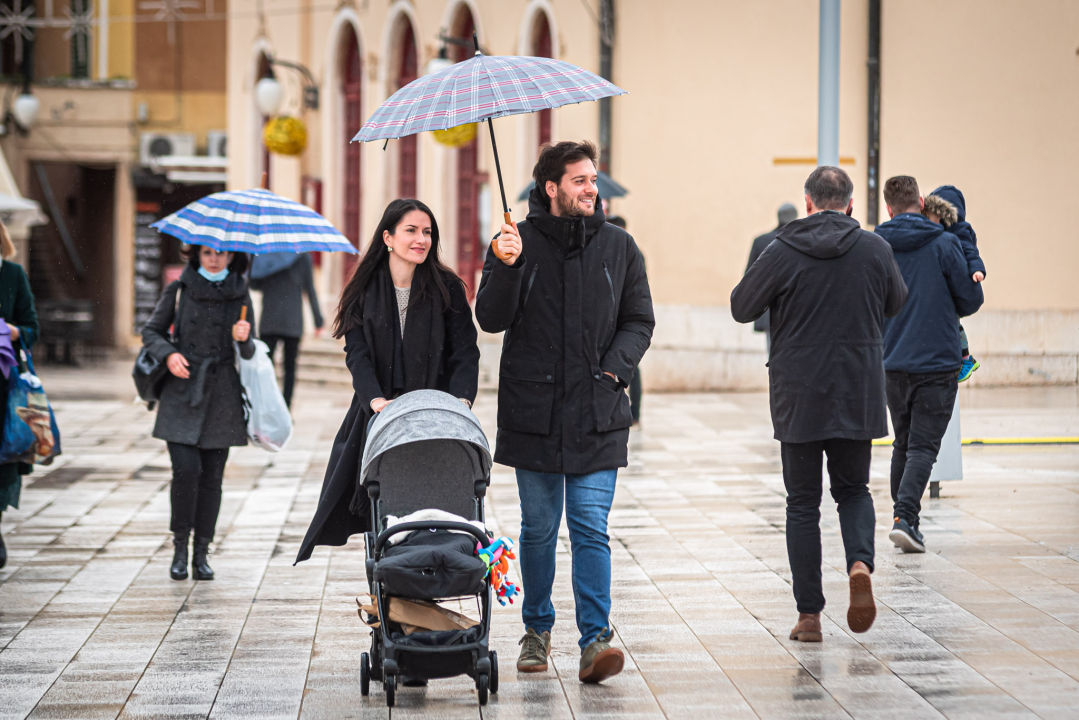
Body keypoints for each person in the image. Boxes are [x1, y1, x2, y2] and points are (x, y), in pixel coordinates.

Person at [476, 141, 654, 683]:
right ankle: (536, 629)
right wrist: (504, 266)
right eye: (579, 180)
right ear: (551, 187)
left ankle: (595, 640)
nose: (591, 188)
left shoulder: (620, 247)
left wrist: (614, 372)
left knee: (589, 527)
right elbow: (490, 318)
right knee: (537, 528)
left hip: (598, 409)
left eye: (593, 179)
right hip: (535, 411)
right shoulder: (515, 243)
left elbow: (639, 319)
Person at [730, 166, 907, 643]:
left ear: (807, 202)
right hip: (858, 390)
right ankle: (859, 564)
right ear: (851, 205)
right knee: (853, 492)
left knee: (802, 504)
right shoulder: (875, 247)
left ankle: (809, 616)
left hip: (799, 396)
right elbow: (895, 301)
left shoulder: (782, 249)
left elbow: (741, 306)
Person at [294, 199, 480, 566]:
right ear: (388, 237)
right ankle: (388, 582)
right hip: (379, 412)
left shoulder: (447, 288)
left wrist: (461, 401)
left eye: (427, 232)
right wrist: (376, 400)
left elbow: (465, 351)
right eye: (411, 230)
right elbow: (357, 354)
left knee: (434, 499)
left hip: (434, 413)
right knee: (378, 502)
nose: (421, 239)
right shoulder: (363, 291)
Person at [875, 176, 984, 554]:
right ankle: (906, 518)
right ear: (921, 202)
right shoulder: (944, 243)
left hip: (891, 361)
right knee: (923, 446)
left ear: (889, 208)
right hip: (937, 361)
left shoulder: (875, 245)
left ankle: (903, 520)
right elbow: (971, 300)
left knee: (903, 443)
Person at [141, 244, 256, 581]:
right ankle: (180, 547)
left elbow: (250, 349)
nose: (215, 258)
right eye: (207, 252)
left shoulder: (240, 290)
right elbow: (151, 331)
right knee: (186, 471)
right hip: (183, 389)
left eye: (221, 253)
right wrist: (169, 355)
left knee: (212, 479)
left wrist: (244, 338)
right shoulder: (179, 288)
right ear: (197, 255)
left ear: (232, 256)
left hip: (222, 393)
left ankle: (202, 553)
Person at [0, 222, 39, 570]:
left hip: (5, 387)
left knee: (4, 458)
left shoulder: (12, 274)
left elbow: (32, 328)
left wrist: (13, 331)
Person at [924, 186, 985, 382]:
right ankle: (966, 358)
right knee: (954, 323)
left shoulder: (960, 229)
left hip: (960, 281)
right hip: (947, 284)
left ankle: (966, 359)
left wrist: (977, 270)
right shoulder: (940, 232)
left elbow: (970, 251)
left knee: (954, 324)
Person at [249, 253, 324, 407]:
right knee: (289, 369)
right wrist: (318, 320)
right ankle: (285, 409)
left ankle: (266, 405)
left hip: (269, 319)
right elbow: (309, 289)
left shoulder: (264, 256)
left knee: (265, 367)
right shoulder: (302, 256)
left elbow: (254, 284)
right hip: (293, 320)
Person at [744, 203, 799, 351]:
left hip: (770, 309)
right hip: (797, 310)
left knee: (773, 357)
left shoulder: (761, 241)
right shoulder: (804, 241)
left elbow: (749, 279)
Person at [606, 215, 642, 426]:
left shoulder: (632, 252)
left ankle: (635, 413)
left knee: (631, 369)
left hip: (625, 324)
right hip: (609, 322)